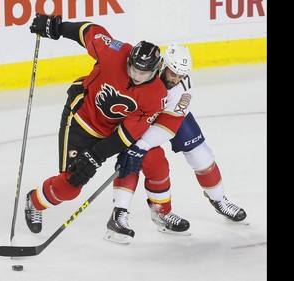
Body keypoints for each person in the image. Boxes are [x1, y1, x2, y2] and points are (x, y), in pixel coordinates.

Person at [24, 14, 168, 234]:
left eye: (144, 72)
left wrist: (95, 156)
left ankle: (155, 210)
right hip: (80, 117)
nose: (137, 76)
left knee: (153, 157)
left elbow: (127, 135)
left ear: (155, 70)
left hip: (110, 132)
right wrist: (57, 27)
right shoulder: (115, 52)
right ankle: (34, 201)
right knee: (71, 186)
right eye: (134, 69)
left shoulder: (157, 95)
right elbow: (89, 31)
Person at [103, 44, 247, 244]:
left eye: (180, 75)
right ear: (162, 65)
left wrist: (142, 145)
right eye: (173, 73)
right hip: (140, 116)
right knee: (138, 162)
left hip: (169, 117)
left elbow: (168, 125)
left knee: (201, 155)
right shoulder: (144, 70)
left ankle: (220, 200)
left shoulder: (183, 86)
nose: (175, 80)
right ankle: (121, 214)